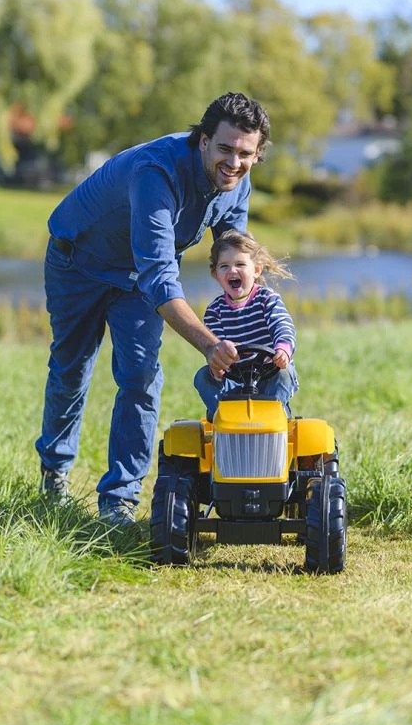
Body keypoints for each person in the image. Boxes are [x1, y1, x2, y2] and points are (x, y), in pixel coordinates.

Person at [35, 92, 271, 526]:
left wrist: (258, 317)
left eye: (244, 153)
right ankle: (55, 473)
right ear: (202, 140)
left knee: (141, 375)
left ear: (257, 154)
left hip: (137, 276)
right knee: (72, 367)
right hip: (78, 261)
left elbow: (235, 257)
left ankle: (118, 501)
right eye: (224, 149)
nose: (233, 162)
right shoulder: (155, 172)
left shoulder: (236, 183)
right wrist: (208, 343)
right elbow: (159, 276)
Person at [193, 231, 298, 420]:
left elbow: (283, 326)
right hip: (233, 381)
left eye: (240, 264)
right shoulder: (214, 311)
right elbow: (216, 347)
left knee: (285, 371)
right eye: (224, 266)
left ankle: (275, 415)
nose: (232, 271)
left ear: (256, 270)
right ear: (216, 274)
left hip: (268, 374)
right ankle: (221, 415)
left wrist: (282, 349)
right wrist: (217, 367)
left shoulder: (267, 300)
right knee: (202, 376)